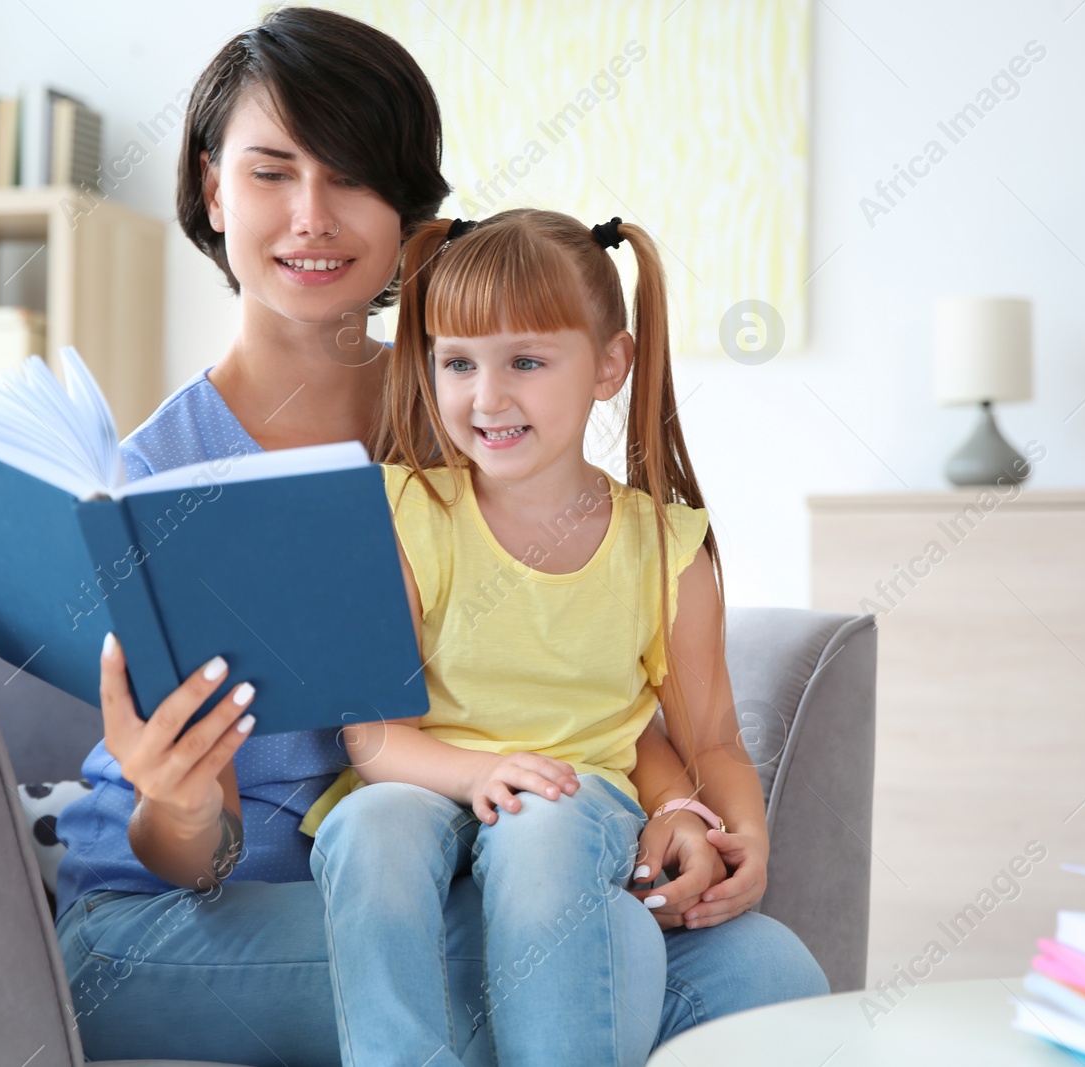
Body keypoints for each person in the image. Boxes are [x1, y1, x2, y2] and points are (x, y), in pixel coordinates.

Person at [51, 9, 825, 1065]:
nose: (312, 216)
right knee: (589, 959)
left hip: (464, 864)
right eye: (272, 172)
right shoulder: (161, 479)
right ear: (210, 188)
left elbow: (576, 673)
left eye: (353, 177)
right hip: (195, 907)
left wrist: (674, 800)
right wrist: (175, 797)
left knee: (770, 974)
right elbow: (189, 851)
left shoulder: (473, 415)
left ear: (410, 208)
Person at [302, 208, 793, 1067]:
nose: (486, 398)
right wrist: (481, 772)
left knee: (542, 826)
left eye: (525, 361)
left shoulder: (664, 547)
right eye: (458, 362)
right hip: (427, 777)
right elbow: (374, 737)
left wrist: (741, 837)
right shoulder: (405, 511)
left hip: (576, 800)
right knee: (369, 825)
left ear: (611, 364)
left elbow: (711, 736)